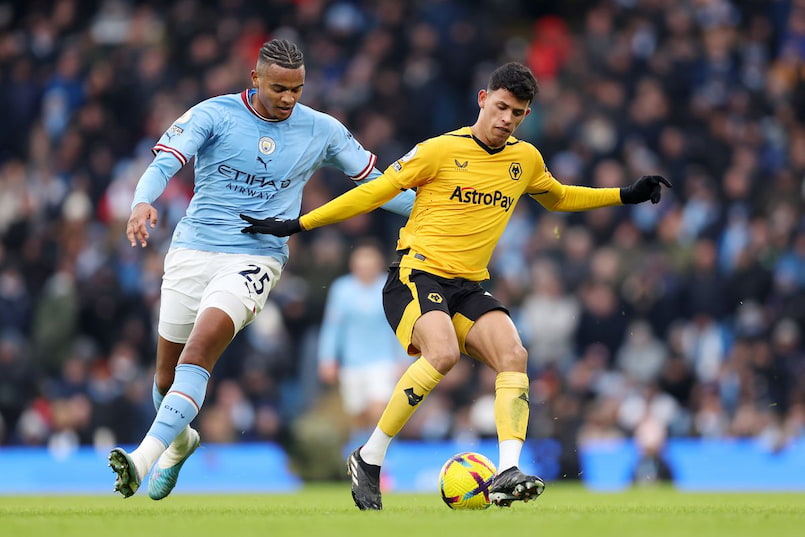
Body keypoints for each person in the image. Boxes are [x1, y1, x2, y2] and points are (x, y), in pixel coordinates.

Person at [239, 61, 671, 510]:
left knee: (514, 355)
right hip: (415, 275)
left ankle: (506, 472)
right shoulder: (438, 151)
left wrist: (625, 194)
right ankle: (370, 457)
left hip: (467, 285)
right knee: (441, 353)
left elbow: (558, 196)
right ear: (483, 100)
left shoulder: (525, 160)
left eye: (518, 113)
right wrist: (299, 223)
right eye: (501, 106)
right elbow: (374, 192)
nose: (507, 119)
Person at [108, 38, 414, 500]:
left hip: (257, 257)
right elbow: (165, 162)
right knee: (165, 380)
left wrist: (439, 213)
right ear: (255, 79)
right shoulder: (213, 114)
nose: (289, 99)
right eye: (279, 89)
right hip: (192, 251)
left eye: (297, 89)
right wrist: (141, 202)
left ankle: (141, 459)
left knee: (201, 350)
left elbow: (377, 186)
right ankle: (181, 440)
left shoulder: (323, 129)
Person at [317, 239, 409, 440]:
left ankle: (382, 458)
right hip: (352, 363)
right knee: (358, 416)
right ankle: (362, 455)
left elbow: (399, 325)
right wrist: (327, 358)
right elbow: (333, 327)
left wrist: (404, 358)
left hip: (383, 361)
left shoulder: (388, 287)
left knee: (380, 410)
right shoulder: (342, 289)